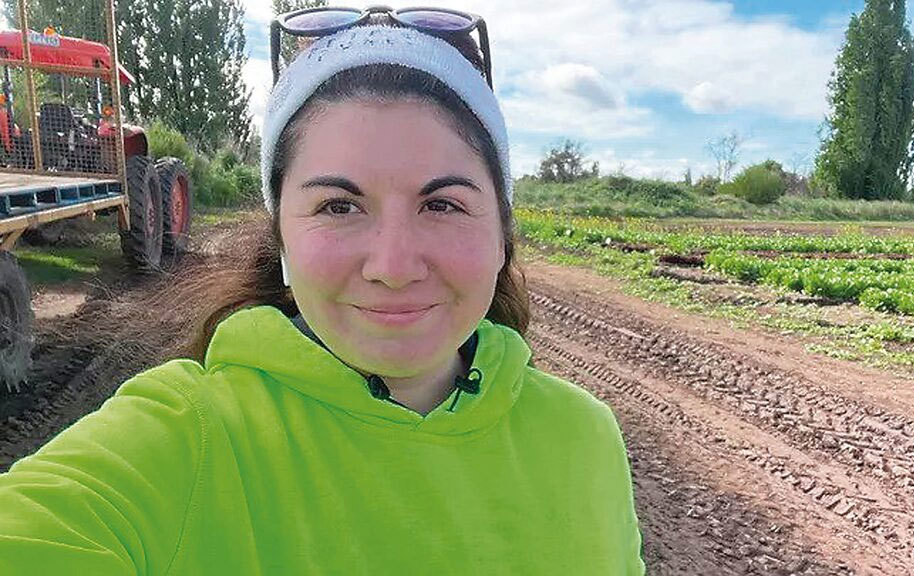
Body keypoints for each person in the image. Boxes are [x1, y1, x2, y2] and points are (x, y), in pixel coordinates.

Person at [0, 6, 645, 574]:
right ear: (281, 238)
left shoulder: (586, 439)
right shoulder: (188, 437)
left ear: (502, 233)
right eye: (339, 206)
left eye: (443, 204)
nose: (393, 266)